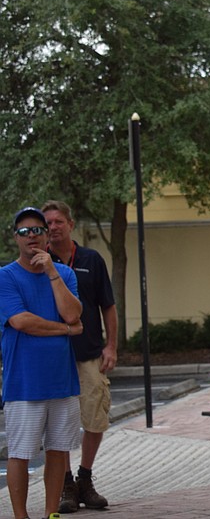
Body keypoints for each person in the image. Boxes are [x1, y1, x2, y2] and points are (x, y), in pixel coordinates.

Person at [0, 207, 84, 519]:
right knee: (21, 453)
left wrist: (51, 272)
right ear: (15, 237)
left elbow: (74, 314)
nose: (31, 236)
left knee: (59, 452)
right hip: (24, 384)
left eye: (38, 230)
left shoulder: (64, 274)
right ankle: (21, 515)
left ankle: (52, 513)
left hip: (62, 381)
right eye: (24, 231)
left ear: (48, 236)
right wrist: (65, 330)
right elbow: (21, 321)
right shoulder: (5, 276)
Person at [41, 200, 116, 513]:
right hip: (53, 355)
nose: (53, 228)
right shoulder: (38, 263)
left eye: (58, 221)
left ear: (70, 224)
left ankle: (85, 477)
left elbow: (107, 306)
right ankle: (67, 484)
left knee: (95, 417)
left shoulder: (91, 259)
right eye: (48, 224)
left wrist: (111, 345)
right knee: (59, 424)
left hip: (88, 353)